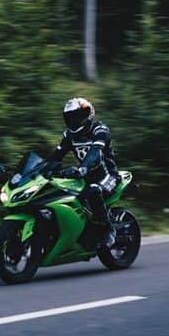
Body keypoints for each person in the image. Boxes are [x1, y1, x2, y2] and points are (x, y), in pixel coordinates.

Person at [49, 97, 118, 248]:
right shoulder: (69, 136)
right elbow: (56, 157)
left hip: (107, 175)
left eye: (77, 117)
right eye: (70, 118)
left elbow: (95, 151)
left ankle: (109, 229)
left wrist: (83, 168)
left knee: (93, 191)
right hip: (84, 177)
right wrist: (44, 171)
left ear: (88, 115)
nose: (74, 121)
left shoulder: (99, 129)